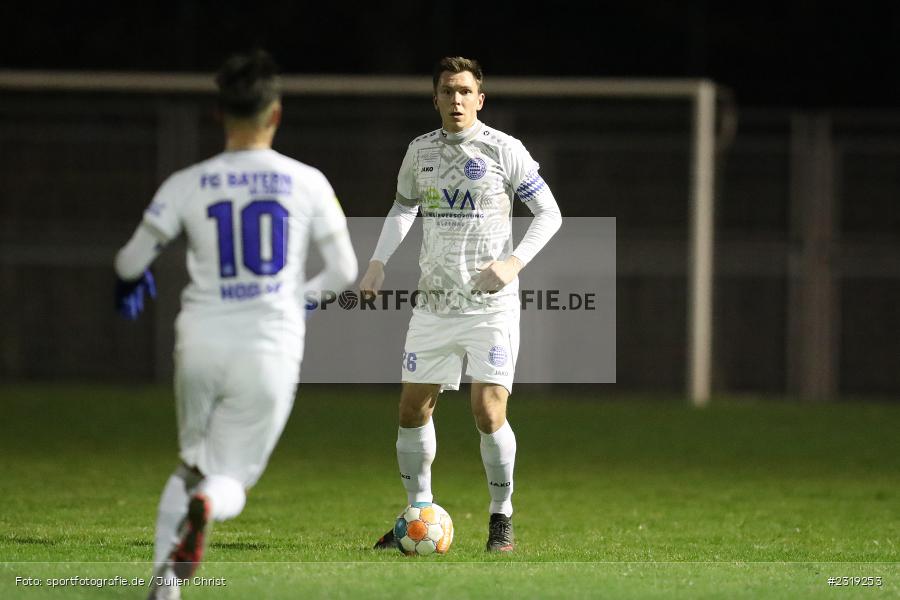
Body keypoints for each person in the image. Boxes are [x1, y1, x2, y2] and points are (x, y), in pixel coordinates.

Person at [113, 50, 357, 598]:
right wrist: (298, 300)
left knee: (190, 462)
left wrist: (130, 281)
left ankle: (163, 588)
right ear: (275, 115)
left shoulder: (188, 182)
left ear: (219, 115)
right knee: (229, 482)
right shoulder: (307, 182)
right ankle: (207, 509)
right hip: (269, 344)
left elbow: (129, 261)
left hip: (200, 340)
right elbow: (343, 271)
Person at [360, 56, 562, 552]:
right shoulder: (420, 151)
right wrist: (378, 262)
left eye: (465, 91)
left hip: (490, 306)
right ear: (435, 98)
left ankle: (501, 518)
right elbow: (404, 206)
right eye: (448, 91)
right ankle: (419, 513)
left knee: (488, 411)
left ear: (480, 99)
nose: (456, 99)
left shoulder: (503, 149)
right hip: (433, 304)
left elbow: (549, 213)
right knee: (412, 409)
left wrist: (512, 264)